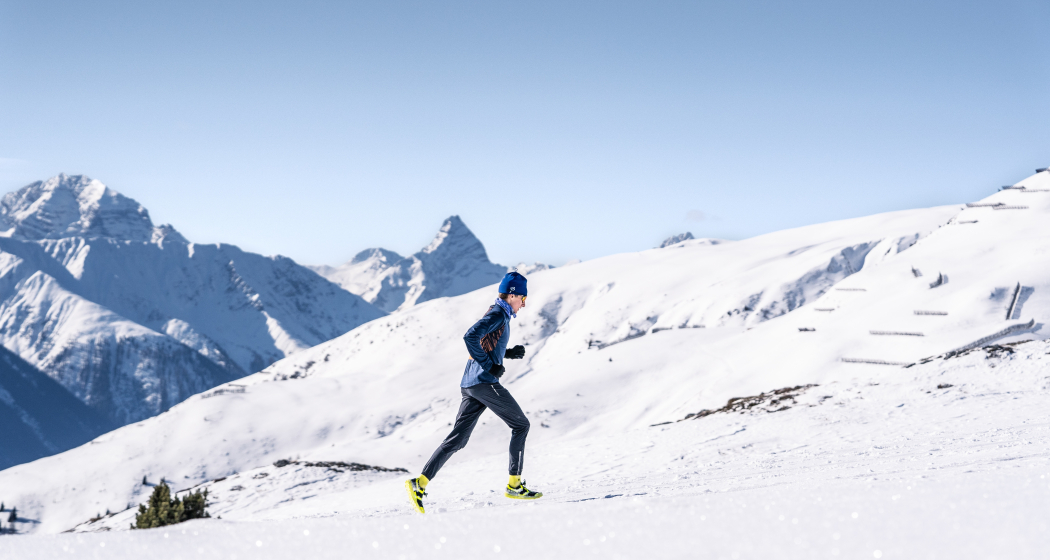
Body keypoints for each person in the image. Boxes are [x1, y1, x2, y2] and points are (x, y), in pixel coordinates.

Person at [405, 271, 542, 513]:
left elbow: (485, 342)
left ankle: (420, 483)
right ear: (513, 295)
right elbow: (470, 336)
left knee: (458, 439)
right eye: (523, 299)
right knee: (521, 425)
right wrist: (491, 366)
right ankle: (514, 485)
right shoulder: (499, 314)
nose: (524, 304)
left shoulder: (498, 312)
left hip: (469, 384)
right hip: (483, 382)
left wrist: (507, 353)